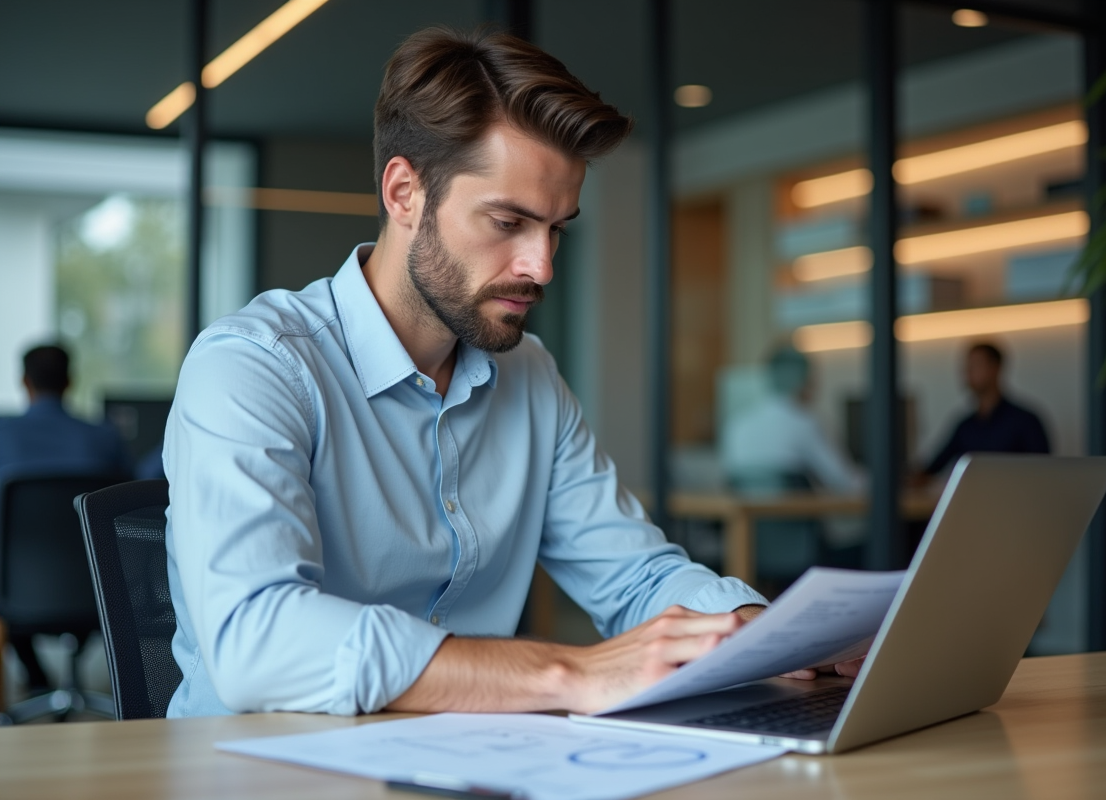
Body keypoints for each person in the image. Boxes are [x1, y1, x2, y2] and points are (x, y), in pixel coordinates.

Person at [164, 28, 863, 720]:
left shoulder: (529, 375)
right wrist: (566, 671)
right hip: (260, 772)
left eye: (557, 229)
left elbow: (636, 574)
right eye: (508, 221)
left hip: (464, 764)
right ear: (404, 192)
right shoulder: (253, 367)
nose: (542, 266)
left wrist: (776, 636)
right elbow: (256, 638)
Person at [0, 343, 130, 692]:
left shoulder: (3, 434)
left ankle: (37, 678)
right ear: (70, 382)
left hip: (15, 594)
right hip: (98, 589)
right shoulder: (104, 437)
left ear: (24, 382)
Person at [721, 345, 862, 494]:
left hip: (750, 518)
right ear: (803, 383)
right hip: (796, 515)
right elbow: (841, 479)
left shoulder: (737, 424)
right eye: (813, 380)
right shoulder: (803, 423)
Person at [917, 342, 1050, 484]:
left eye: (975, 365)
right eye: (967, 367)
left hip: (1014, 502)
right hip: (972, 502)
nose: (968, 373)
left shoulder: (1025, 422)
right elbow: (933, 466)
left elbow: (1044, 474)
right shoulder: (965, 426)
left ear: (995, 368)